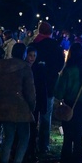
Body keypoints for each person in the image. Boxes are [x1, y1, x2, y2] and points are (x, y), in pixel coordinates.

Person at [0, 42, 36, 163]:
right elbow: (30, 91)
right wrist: (32, 106)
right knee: (24, 135)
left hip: (4, 105)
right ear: (23, 54)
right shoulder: (25, 68)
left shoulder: (2, 67)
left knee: (8, 137)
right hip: (20, 106)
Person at [31, 21, 64, 154]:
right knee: (46, 115)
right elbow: (60, 64)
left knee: (33, 114)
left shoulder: (34, 44)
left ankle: (31, 142)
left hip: (34, 83)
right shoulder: (55, 46)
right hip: (49, 84)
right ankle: (43, 145)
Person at [24, 45, 47, 163]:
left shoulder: (39, 69)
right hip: (24, 102)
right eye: (30, 55)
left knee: (33, 127)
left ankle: (31, 151)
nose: (32, 58)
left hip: (35, 102)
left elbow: (42, 88)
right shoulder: (23, 68)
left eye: (34, 56)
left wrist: (43, 105)